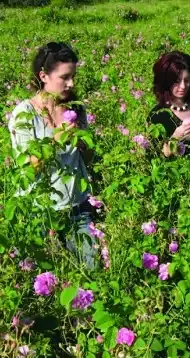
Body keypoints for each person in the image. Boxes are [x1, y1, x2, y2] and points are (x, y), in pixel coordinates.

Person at [8, 42, 96, 269]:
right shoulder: (25, 113)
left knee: (92, 270)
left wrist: (85, 147)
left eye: (73, 76)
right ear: (44, 76)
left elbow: (87, 161)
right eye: (65, 77)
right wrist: (55, 140)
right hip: (41, 211)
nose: (71, 83)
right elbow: (28, 169)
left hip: (77, 206)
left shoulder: (76, 109)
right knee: (42, 277)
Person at [148, 51, 190, 157]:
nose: (183, 86)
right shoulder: (157, 115)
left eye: (186, 80)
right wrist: (175, 137)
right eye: (176, 81)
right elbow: (154, 157)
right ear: (166, 82)